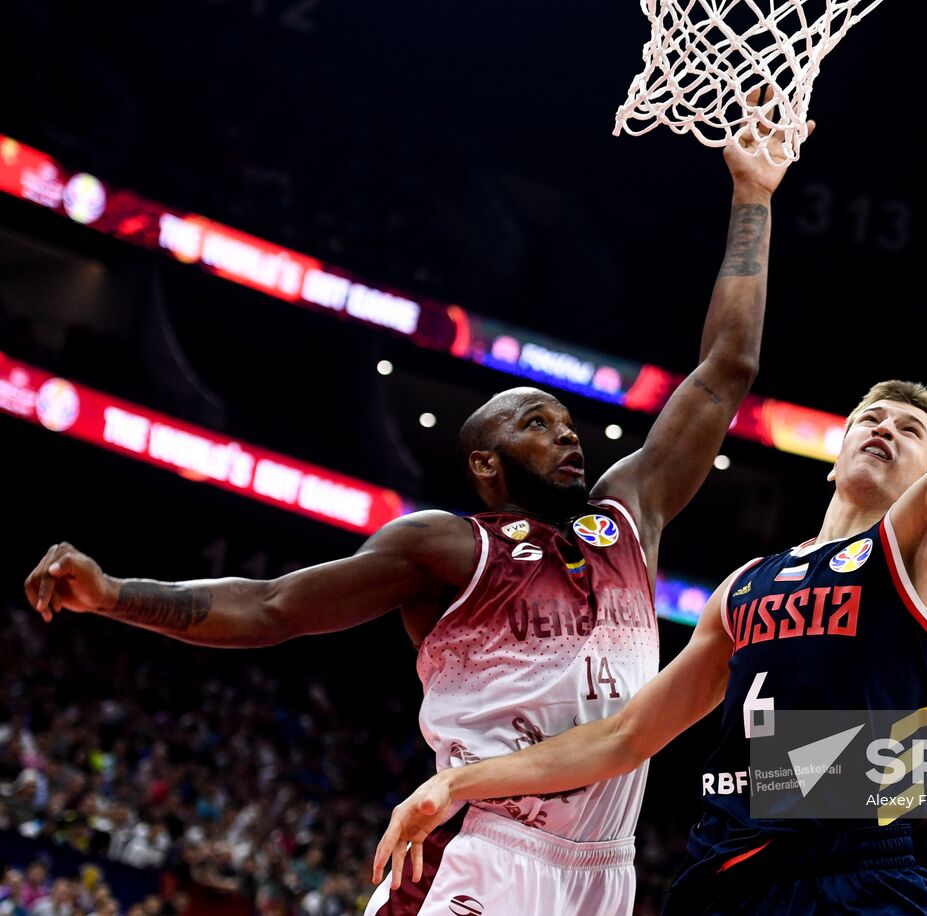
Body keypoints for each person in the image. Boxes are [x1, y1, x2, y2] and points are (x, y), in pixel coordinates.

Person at [373, 103, 927, 914]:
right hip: (723, 878)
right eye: (870, 418)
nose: (884, 428)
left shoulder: (922, 546)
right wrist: (453, 782)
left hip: (855, 875)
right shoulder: (746, 586)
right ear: (837, 452)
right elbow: (623, 739)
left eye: (911, 429)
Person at [23, 117, 810, 916]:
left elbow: (726, 369)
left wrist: (752, 195)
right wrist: (117, 594)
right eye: (535, 422)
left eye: (568, 422)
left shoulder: (628, 515)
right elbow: (274, 606)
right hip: (482, 842)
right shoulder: (447, 546)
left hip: (605, 870)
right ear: (484, 463)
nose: (565, 431)